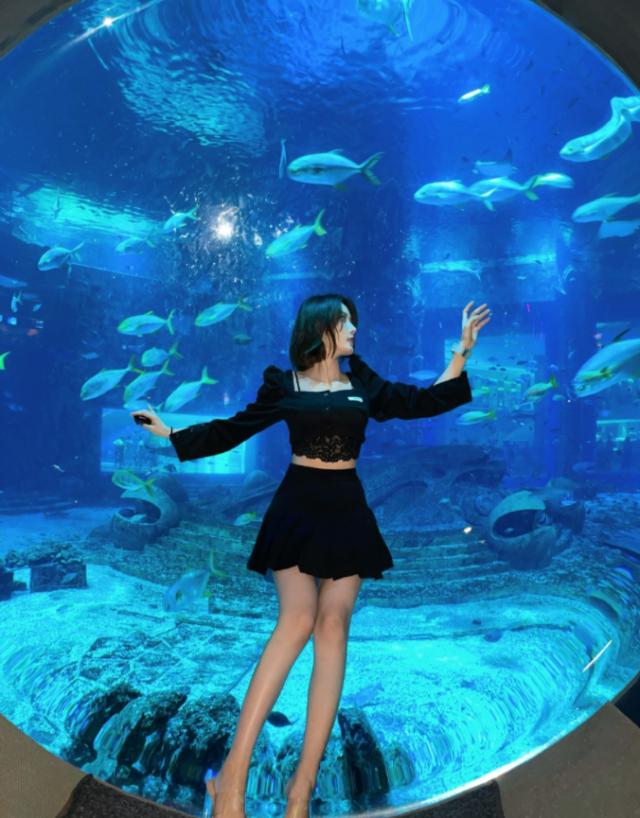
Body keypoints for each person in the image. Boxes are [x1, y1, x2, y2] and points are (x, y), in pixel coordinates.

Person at [131, 293, 490, 818]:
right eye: (345, 322)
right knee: (297, 619)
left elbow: (423, 402)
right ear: (320, 328)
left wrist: (461, 351)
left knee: (334, 626)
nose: (354, 329)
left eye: (353, 322)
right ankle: (231, 777)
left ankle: (301, 789)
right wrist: (170, 433)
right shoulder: (284, 384)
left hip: (347, 510)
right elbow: (234, 428)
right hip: (297, 507)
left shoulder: (363, 381)